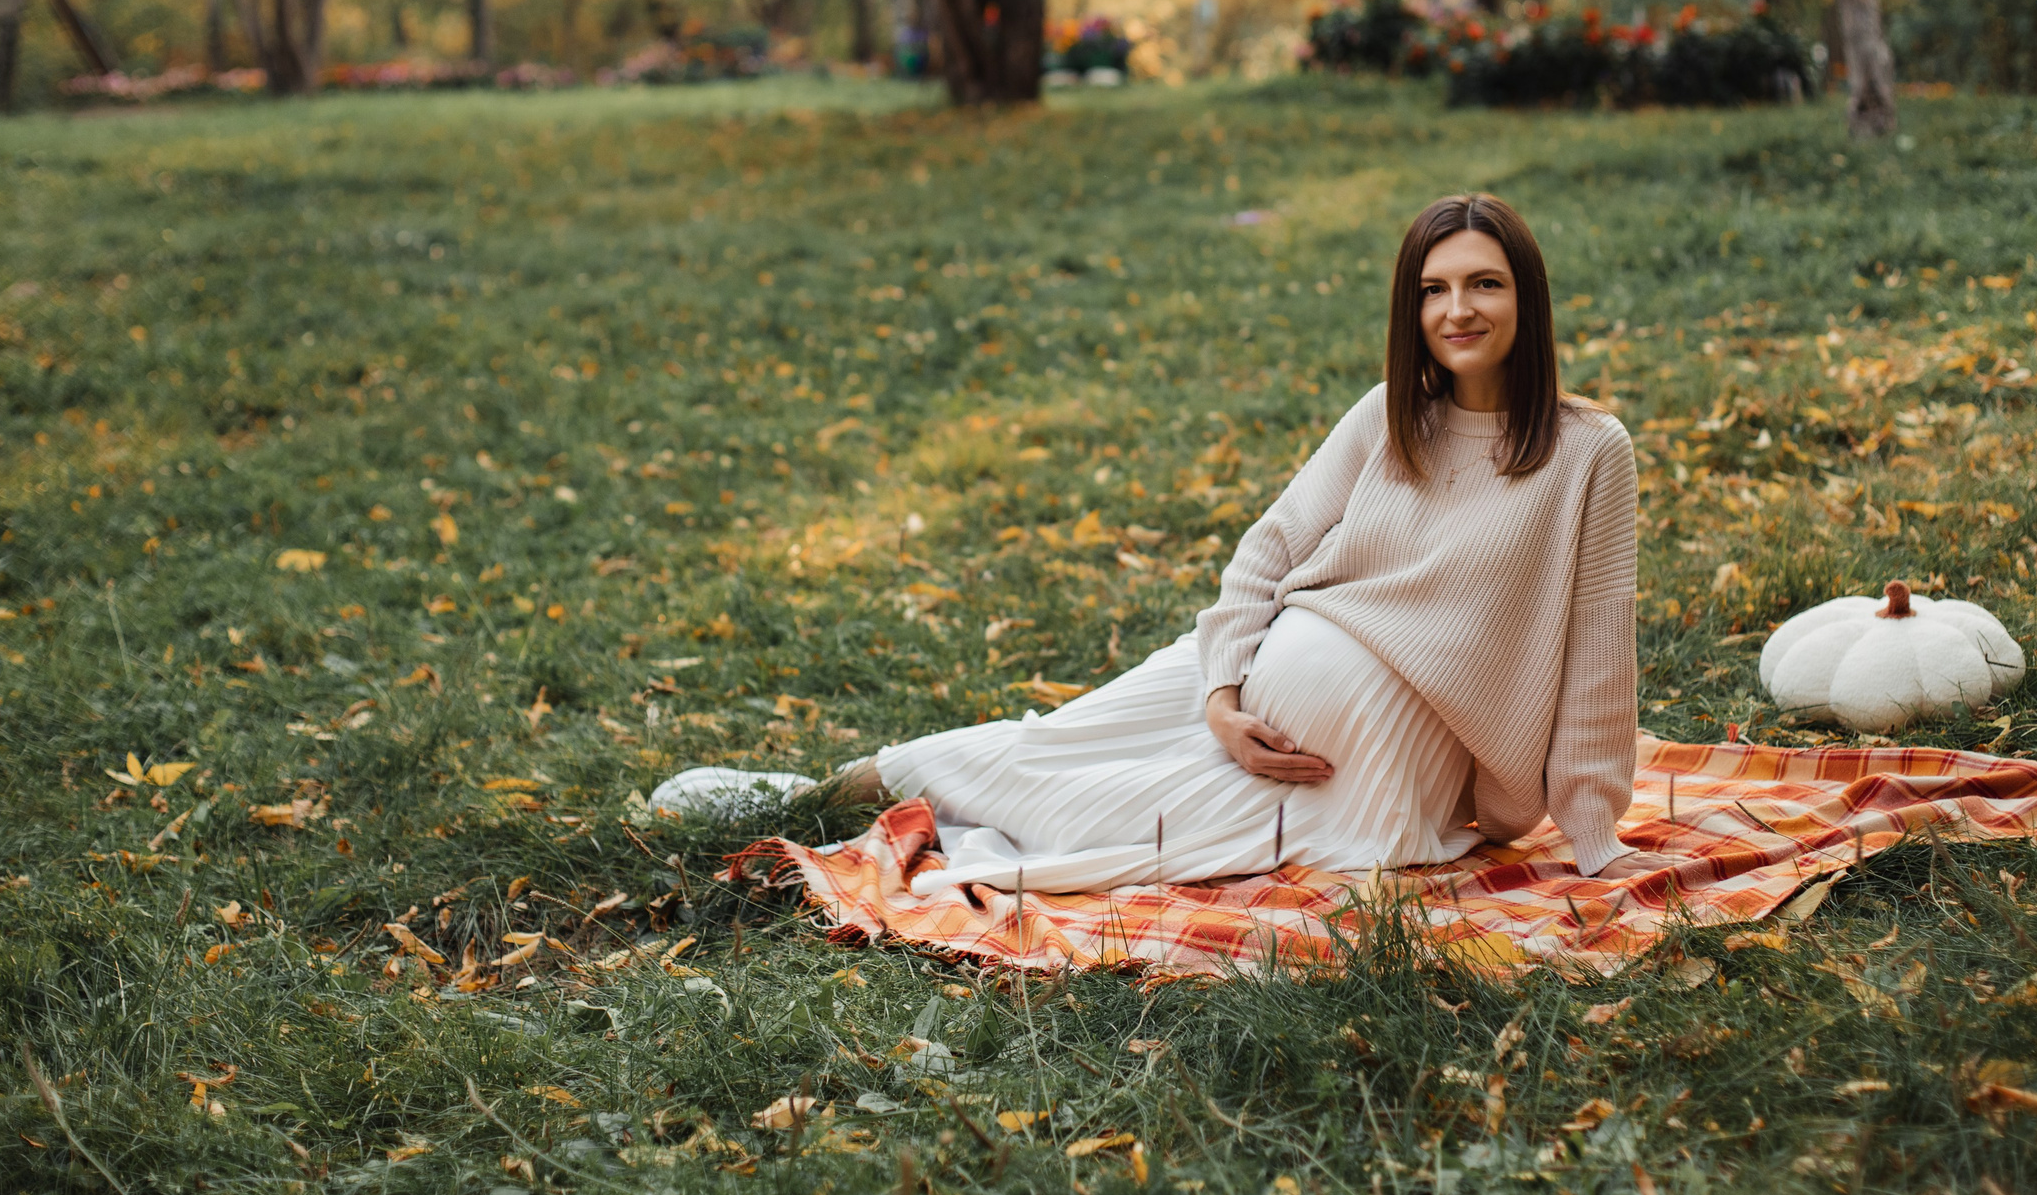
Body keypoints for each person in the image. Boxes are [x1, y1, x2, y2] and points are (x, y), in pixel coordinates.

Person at [653, 193, 1680, 892]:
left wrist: (1593, 842)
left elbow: (1597, 657)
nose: (1456, 309)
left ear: (1525, 298)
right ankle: (827, 785)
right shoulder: (1386, 414)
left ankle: (847, 817)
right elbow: (1267, 551)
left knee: (1103, 817)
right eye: (1431, 289)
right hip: (1258, 673)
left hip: (1365, 766)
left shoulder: (1589, 453)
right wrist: (1225, 698)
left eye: (1483, 284)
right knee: (1060, 735)